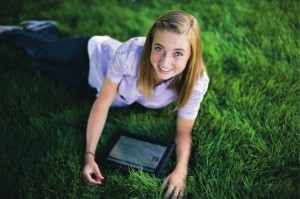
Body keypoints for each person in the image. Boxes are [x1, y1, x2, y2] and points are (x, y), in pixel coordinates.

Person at [0, 11, 209, 199]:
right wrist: (89, 155)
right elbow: (103, 102)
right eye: (159, 48)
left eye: (178, 53)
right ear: (150, 45)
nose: (165, 62)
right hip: (91, 55)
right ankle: (10, 33)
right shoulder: (130, 55)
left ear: (192, 55)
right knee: (41, 52)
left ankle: (47, 29)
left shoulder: (196, 82)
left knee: (40, 68)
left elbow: (183, 132)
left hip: (92, 84)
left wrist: (181, 170)